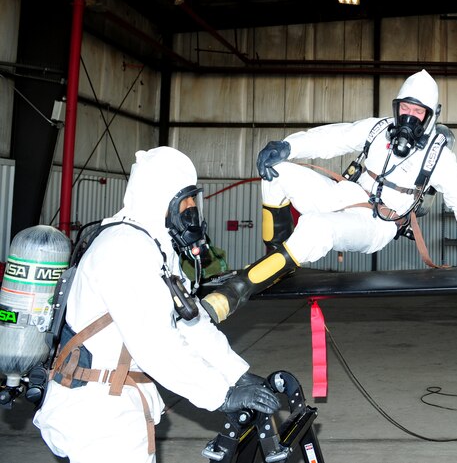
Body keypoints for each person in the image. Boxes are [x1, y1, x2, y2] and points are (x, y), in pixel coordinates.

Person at [201, 69, 457, 323]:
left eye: (418, 113)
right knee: (277, 169)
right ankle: (276, 258)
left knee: (317, 228)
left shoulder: (438, 156)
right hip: (346, 193)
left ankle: (236, 291)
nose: (408, 118)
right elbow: (335, 137)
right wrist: (289, 145)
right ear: (396, 106)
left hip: (378, 223)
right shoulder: (377, 129)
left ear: (432, 115)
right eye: (404, 108)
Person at [33, 146, 280, 463]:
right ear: (159, 198)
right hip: (97, 421)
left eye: (194, 200)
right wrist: (222, 394)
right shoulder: (125, 248)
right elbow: (155, 343)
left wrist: (237, 375)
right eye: (185, 201)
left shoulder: (154, 249)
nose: (192, 211)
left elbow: (189, 323)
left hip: (115, 408)